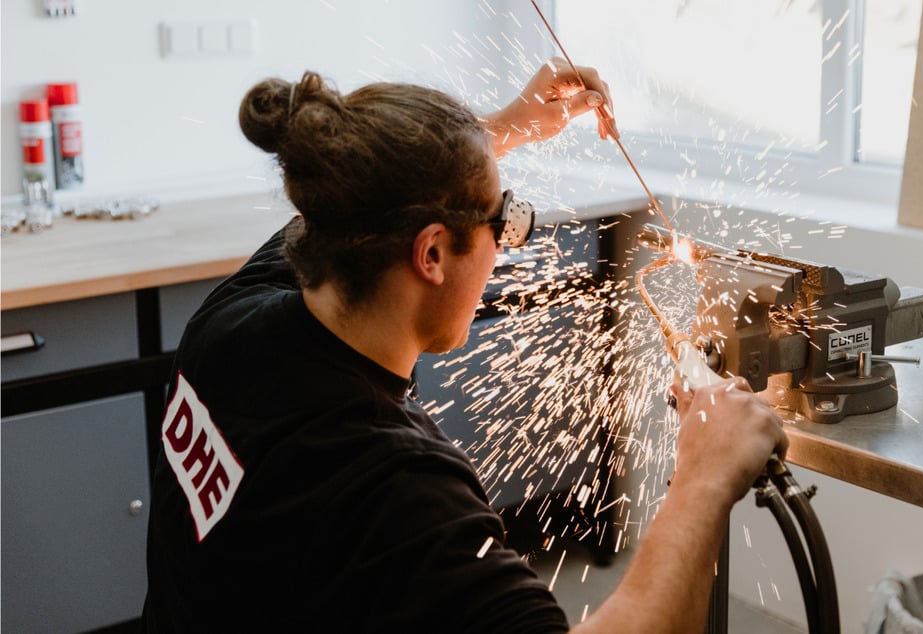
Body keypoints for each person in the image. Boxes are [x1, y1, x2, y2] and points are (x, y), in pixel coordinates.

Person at [143, 57, 787, 633]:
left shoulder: (232, 317)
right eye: (502, 221)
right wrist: (702, 479)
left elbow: (363, 193)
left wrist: (503, 128)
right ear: (431, 254)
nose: (509, 242)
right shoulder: (395, 488)